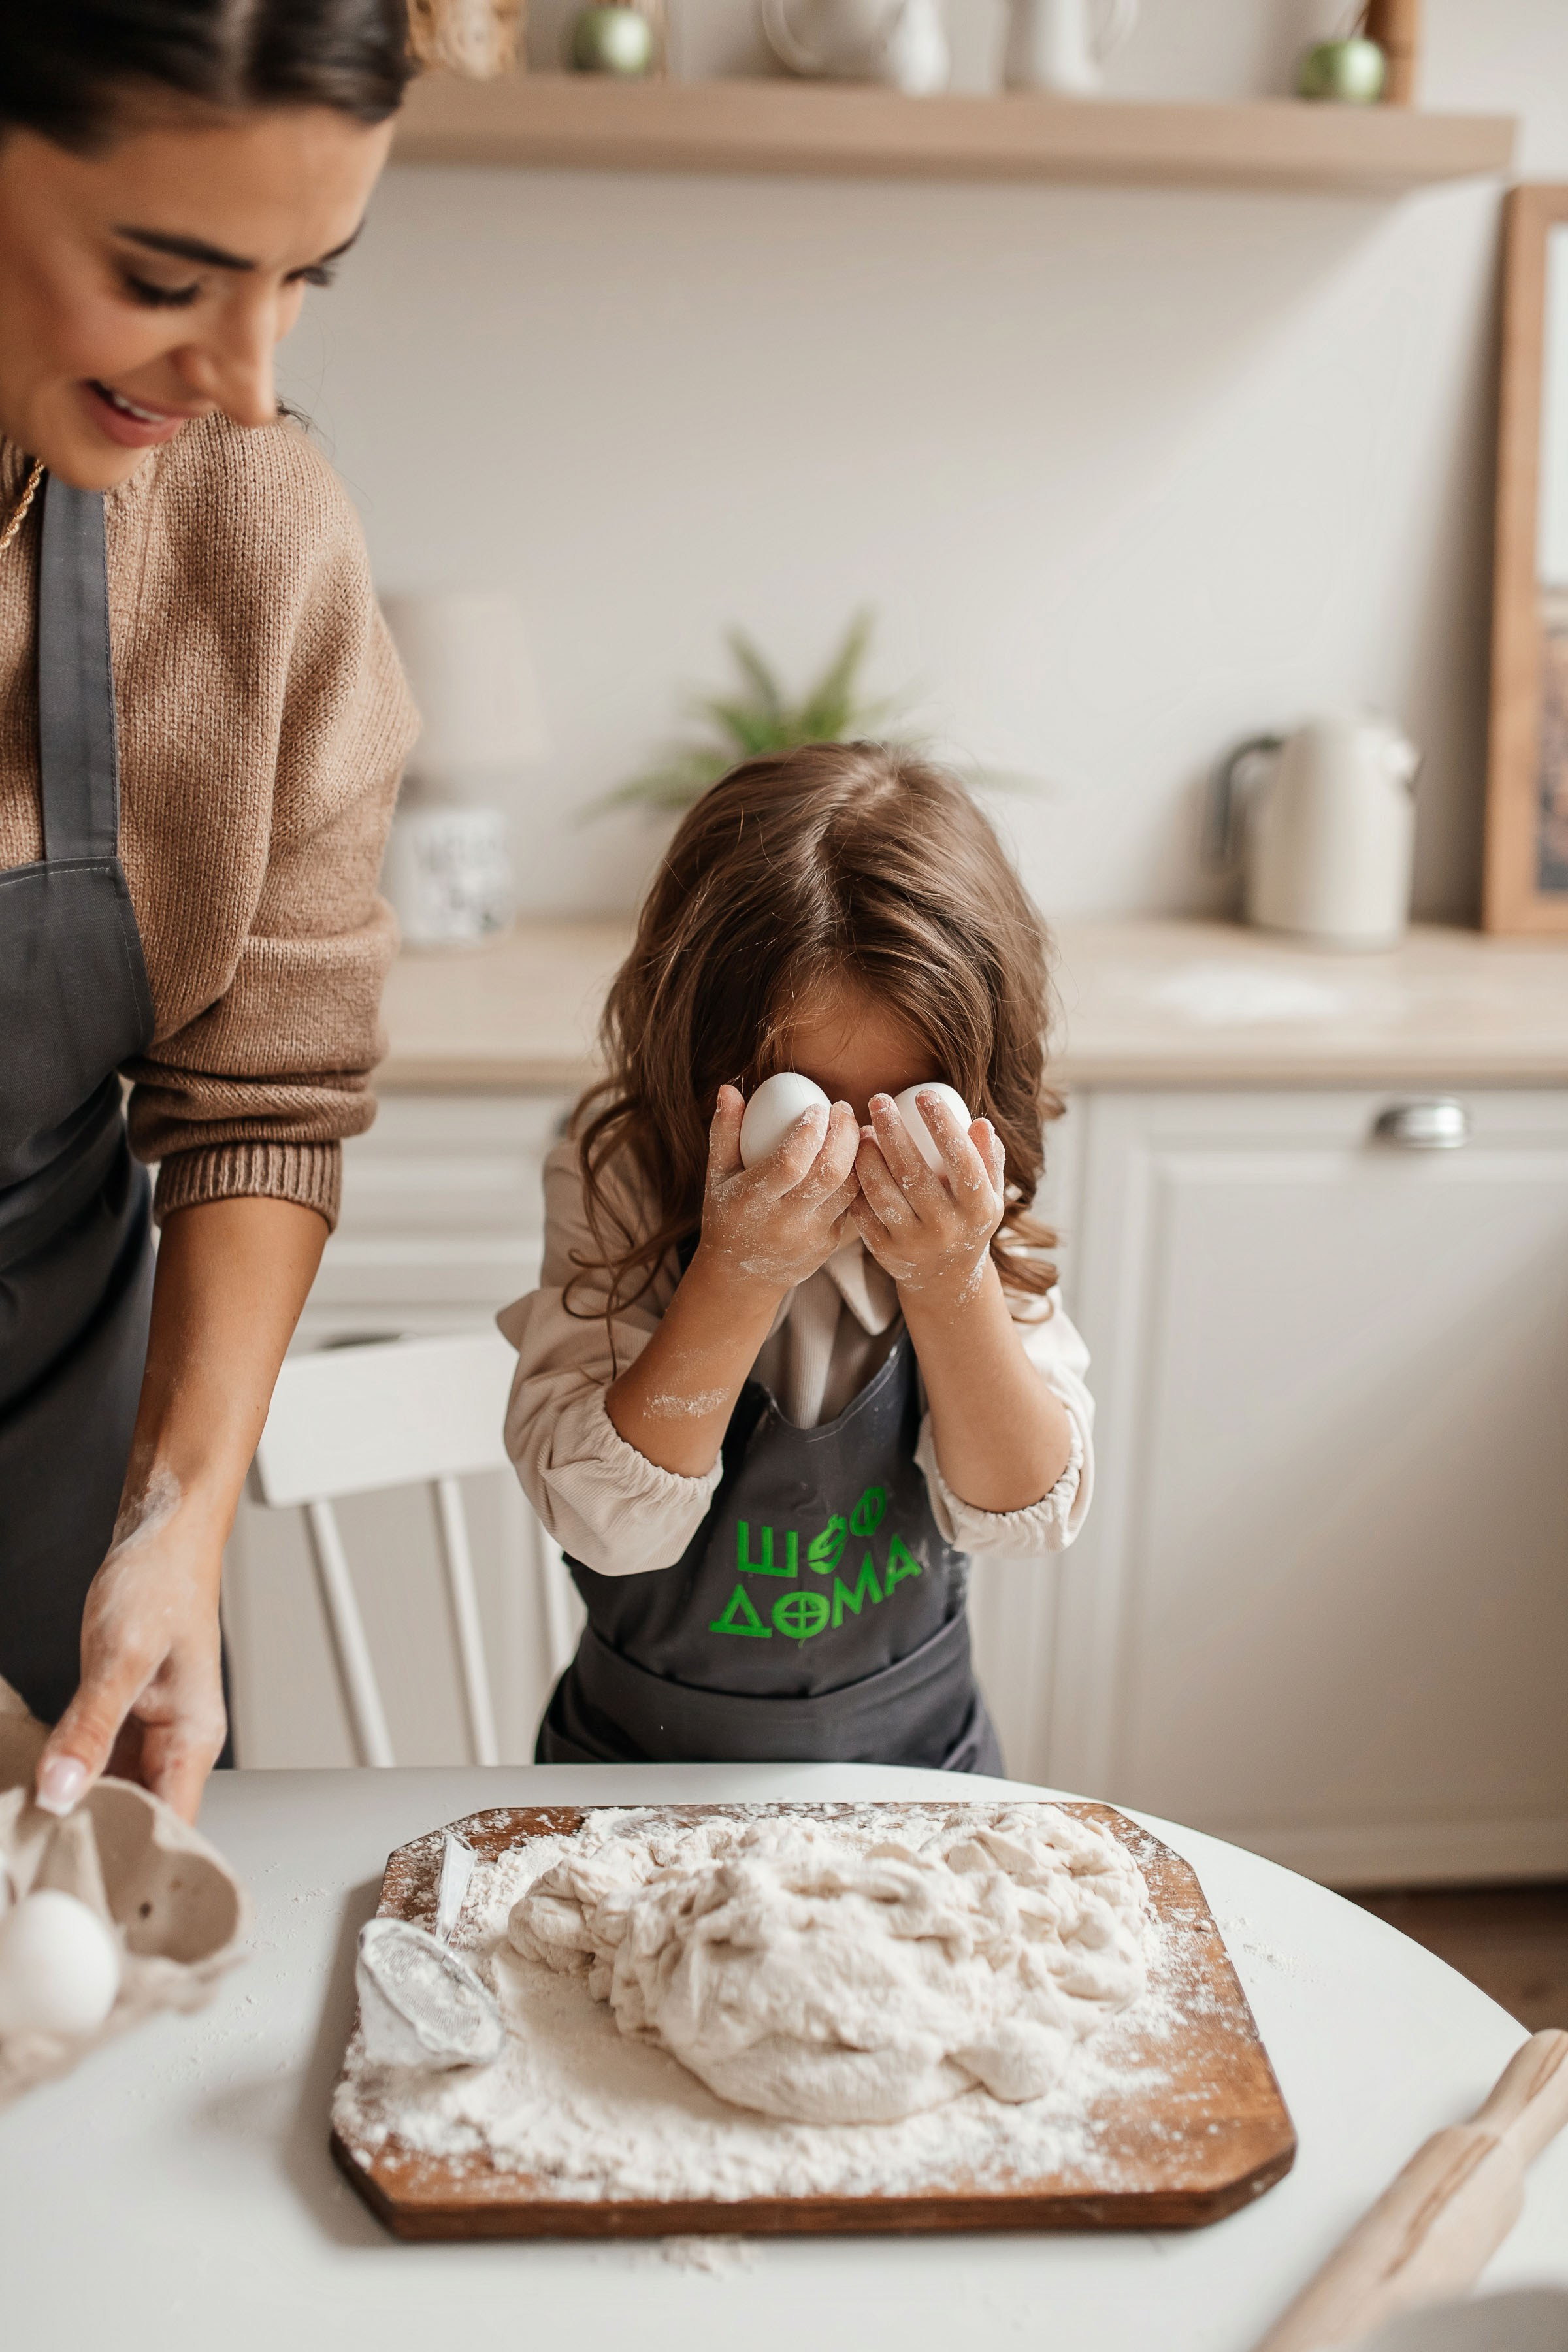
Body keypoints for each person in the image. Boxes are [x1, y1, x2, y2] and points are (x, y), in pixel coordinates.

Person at [0, 1, 421, 1820]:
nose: (245, 376)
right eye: (166, 274)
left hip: (49, 1468)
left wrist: (176, 1527)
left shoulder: (252, 529)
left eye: (305, 277)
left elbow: (265, 1094)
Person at [501, 743, 1094, 1770]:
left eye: (906, 1108)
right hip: (642, 1779)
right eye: (803, 1106)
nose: (855, 1160)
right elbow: (609, 1530)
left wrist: (950, 1282)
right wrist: (738, 1270)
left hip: (917, 1771)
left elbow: (1022, 1517)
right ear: (695, 1055)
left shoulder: (967, 1202)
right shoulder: (624, 1186)